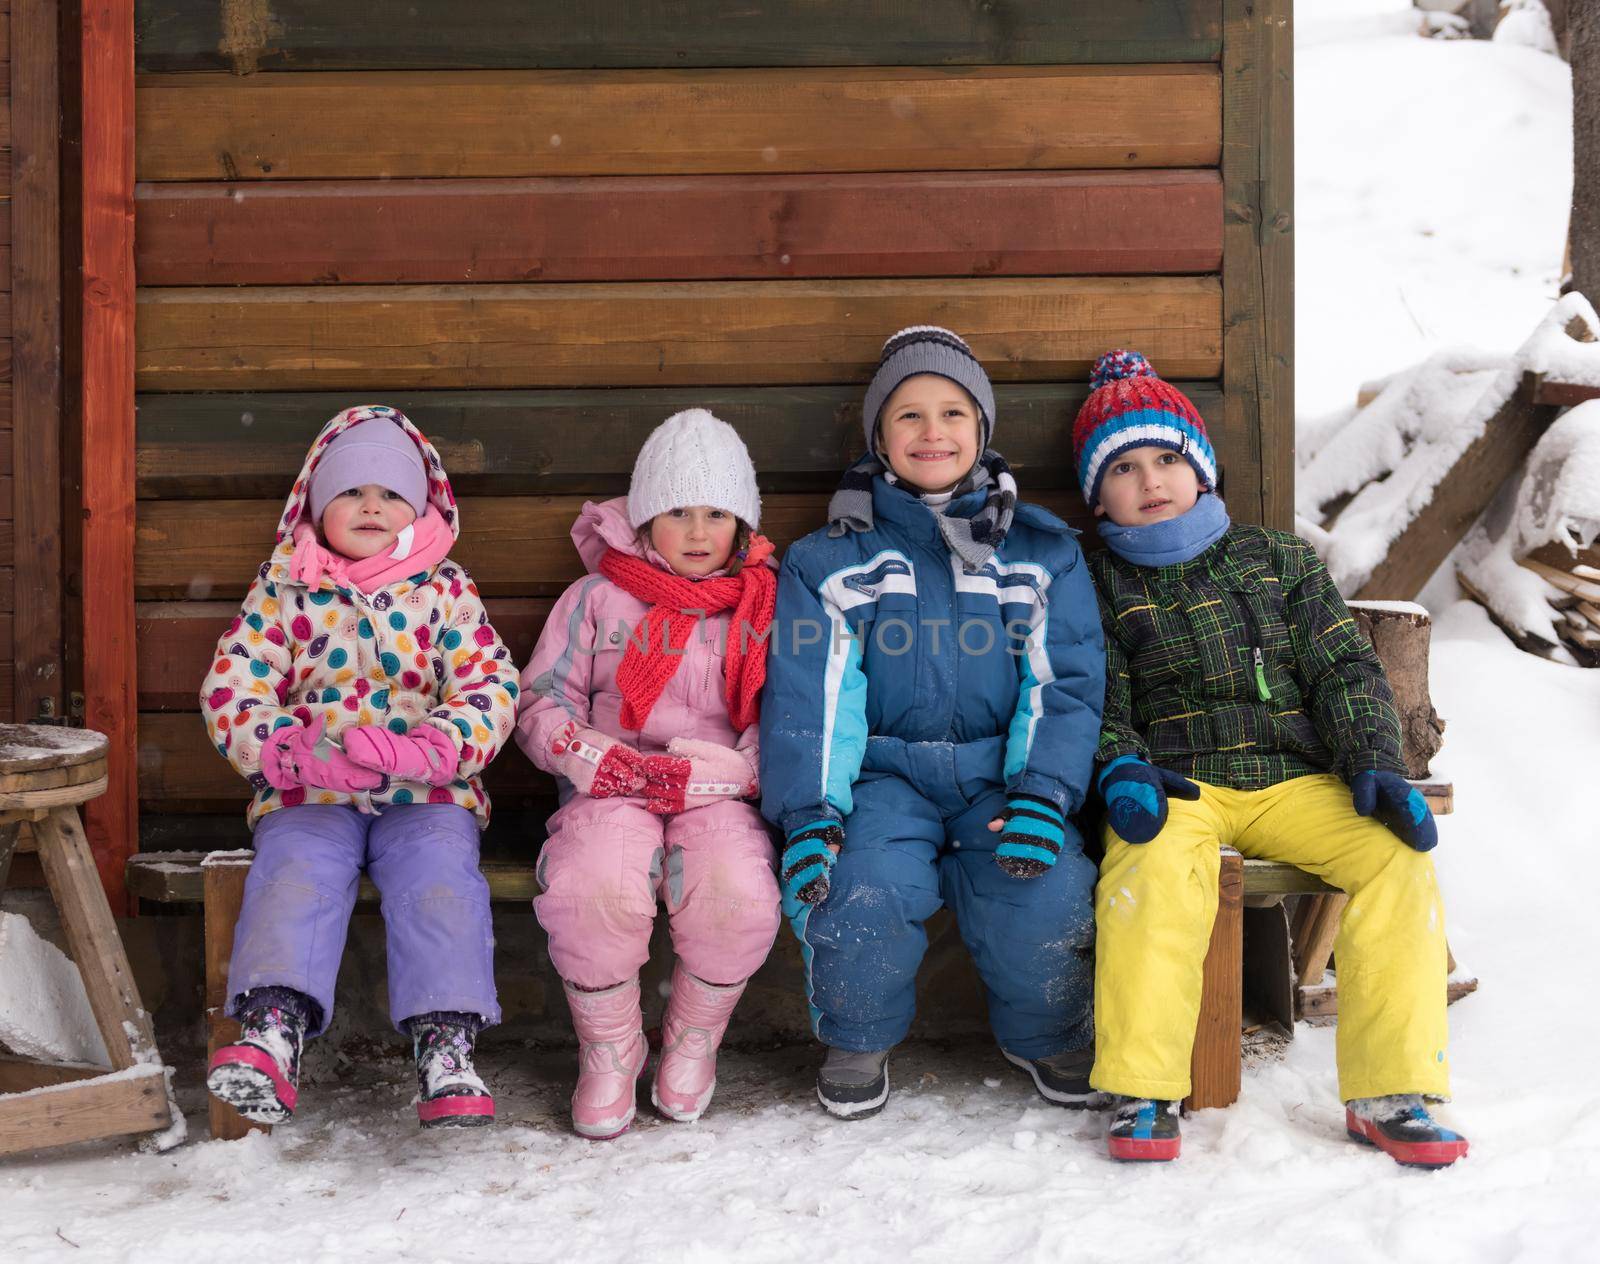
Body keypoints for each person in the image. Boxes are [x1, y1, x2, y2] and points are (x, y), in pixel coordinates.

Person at [1077, 349, 1468, 1167]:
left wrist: (1373, 763)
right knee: (1145, 867)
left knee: (1395, 855)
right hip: (1178, 785)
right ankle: (1144, 1087)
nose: (1151, 480)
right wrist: (1121, 766)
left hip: (1297, 780)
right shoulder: (1096, 580)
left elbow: (1342, 666)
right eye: (1124, 467)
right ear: (1096, 491)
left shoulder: (1278, 560)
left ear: (1201, 468)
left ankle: (1394, 1089)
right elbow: (1092, 692)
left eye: (1167, 459)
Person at [760, 326, 1106, 1119]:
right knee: (858, 886)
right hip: (883, 777)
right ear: (879, 436)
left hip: (1000, 776)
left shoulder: (1040, 553)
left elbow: (1065, 682)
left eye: (952, 412)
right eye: (908, 415)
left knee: (1046, 892)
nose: (932, 432)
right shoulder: (833, 560)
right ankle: (857, 1035)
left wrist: (1042, 795)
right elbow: (814, 693)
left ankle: (1047, 1029)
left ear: (981, 431)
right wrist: (813, 811)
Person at [200, 405, 516, 1128]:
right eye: (350, 491)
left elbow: (489, 684)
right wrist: (281, 747)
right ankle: (272, 1034)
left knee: (439, 882)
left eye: (389, 493)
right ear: (315, 504)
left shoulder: (445, 590)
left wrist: (437, 746)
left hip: (428, 792)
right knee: (294, 875)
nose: (370, 504)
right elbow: (235, 681)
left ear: (419, 508)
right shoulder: (284, 588)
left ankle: (447, 1044)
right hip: (308, 787)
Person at [516, 409, 781, 1139]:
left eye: (716, 514)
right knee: (591, 888)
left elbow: (791, 711)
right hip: (611, 787)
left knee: (738, 893)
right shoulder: (596, 599)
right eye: (677, 513)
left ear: (743, 522)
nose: (699, 533)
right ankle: (609, 1048)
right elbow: (540, 698)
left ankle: (694, 1040)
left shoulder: (765, 607)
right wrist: (584, 752)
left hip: (718, 793)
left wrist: (745, 765)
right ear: (642, 520)